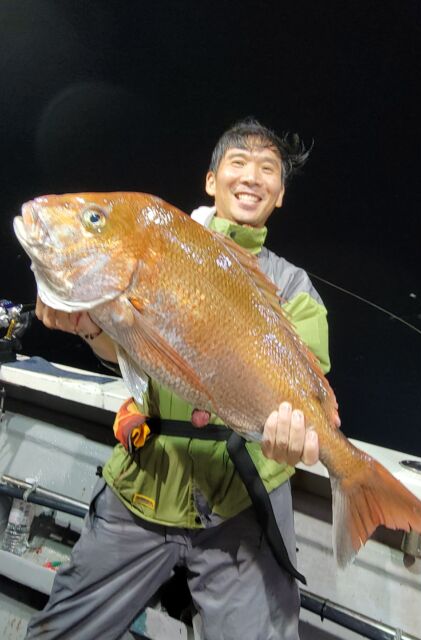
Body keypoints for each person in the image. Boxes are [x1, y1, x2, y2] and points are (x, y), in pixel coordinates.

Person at [27, 118, 340, 640]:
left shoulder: (294, 289)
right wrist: (88, 326)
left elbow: (305, 395)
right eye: (238, 162)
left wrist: (300, 437)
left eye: (268, 169)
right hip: (143, 486)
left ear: (280, 194)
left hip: (241, 506)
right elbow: (126, 353)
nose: (252, 177)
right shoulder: (162, 243)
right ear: (212, 180)